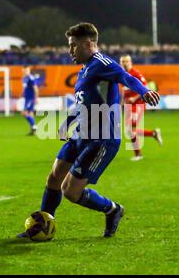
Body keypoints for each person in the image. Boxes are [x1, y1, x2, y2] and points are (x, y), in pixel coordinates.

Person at [18, 23, 160, 238]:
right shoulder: (84, 70)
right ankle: (43, 226)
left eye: (73, 46)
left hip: (101, 139)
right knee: (54, 179)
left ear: (87, 44)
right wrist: (67, 123)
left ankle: (113, 209)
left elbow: (126, 77)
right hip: (80, 135)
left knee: (70, 192)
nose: (70, 51)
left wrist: (144, 91)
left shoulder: (103, 63)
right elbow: (82, 104)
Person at [120, 55, 163, 161]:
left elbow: (146, 88)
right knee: (129, 131)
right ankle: (153, 133)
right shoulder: (121, 75)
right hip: (129, 105)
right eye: (122, 61)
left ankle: (138, 155)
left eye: (126, 61)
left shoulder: (136, 74)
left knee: (131, 130)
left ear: (130, 62)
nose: (124, 63)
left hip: (138, 104)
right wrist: (121, 103)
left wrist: (134, 99)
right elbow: (124, 91)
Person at [21, 65, 39, 135]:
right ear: (22, 70)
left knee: (24, 113)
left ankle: (34, 126)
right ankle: (33, 130)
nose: (26, 71)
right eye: (25, 70)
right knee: (30, 114)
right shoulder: (24, 78)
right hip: (27, 98)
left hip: (30, 98)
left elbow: (35, 88)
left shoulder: (31, 78)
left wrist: (36, 98)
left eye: (27, 70)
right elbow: (25, 88)